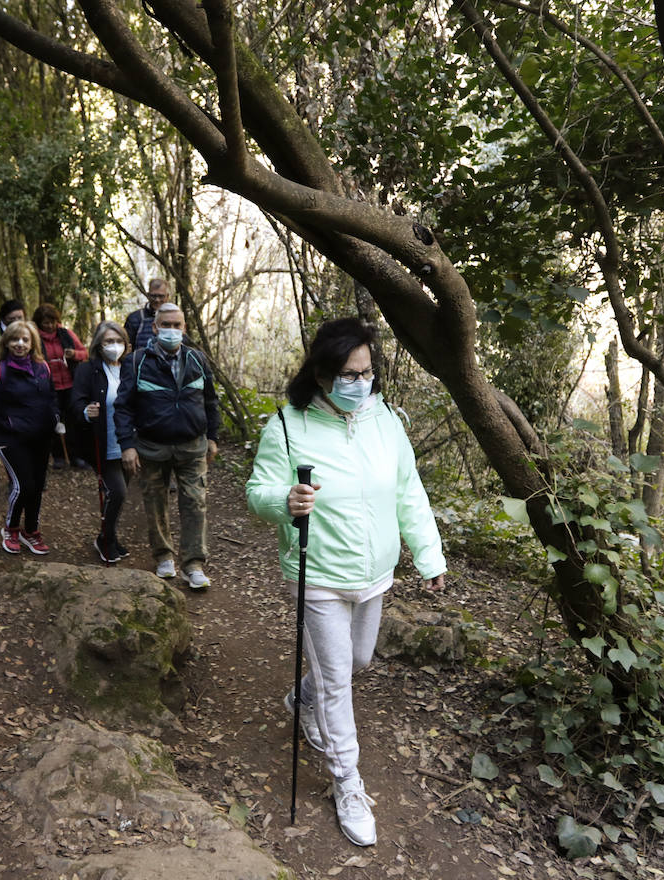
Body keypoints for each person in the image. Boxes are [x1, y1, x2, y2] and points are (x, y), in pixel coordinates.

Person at [245, 317, 446, 848]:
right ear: (322, 372)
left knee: (358, 661)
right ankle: (347, 782)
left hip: (375, 572)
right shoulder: (287, 426)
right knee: (339, 680)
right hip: (318, 574)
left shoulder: (385, 421)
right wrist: (283, 501)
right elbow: (258, 490)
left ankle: (304, 696)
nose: (361, 382)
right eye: (350, 373)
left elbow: (409, 491)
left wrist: (429, 556)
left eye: (368, 372)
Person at [115, 303, 219, 590]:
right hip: (151, 447)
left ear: (184, 328)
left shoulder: (197, 359)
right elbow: (123, 407)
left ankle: (194, 564)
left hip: (192, 446)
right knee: (155, 503)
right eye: (166, 325)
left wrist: (213, 437)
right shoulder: (136, 361)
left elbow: (210, 401)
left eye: (177, 325)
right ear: (155, 327)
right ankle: (163, 556)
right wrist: (127, 445)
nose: (172, 330)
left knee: (195, 503)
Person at [0, 321, 59, 555]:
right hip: (10, 436)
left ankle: (31, 531)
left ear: (32, 344)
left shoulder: (43, 368)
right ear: (6, 342)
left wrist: (56, 418)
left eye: (25, 340)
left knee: (37, 486)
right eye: (15, 339)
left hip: (41, 436)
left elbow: (51, 397)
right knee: (23, 484)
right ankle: (11, 528)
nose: (20, 344)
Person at [71, 321, 133, 563]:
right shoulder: (88, 370)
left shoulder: (130, 367)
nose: (114, 346)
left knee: (120, 494)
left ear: (125, 344)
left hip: (128, 444)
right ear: (99, 345)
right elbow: (75, 401)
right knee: (117, 492)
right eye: (108, 341)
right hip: (102, 442)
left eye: (118, 341)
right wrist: (86, 412)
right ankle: (105, 540)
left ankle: (109, 536)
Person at [33, 303, 89, 469]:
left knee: (73, 420)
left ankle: (76, 456)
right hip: (50, 387)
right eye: (45, 323)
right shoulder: (35, 338)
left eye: (52, 322)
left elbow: (84, 352)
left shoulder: (66, 334)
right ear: (39, 323)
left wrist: (74, 354)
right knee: (53, 421)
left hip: (71, 384)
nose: (50, 326)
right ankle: (57, 456)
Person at [123, 278, 169, 353]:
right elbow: (126, 347)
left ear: (167, 297)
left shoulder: (175, 318)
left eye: (161, 296)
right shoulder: (135, 318)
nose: (157, 300)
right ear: (148, 295)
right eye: (154, 296)